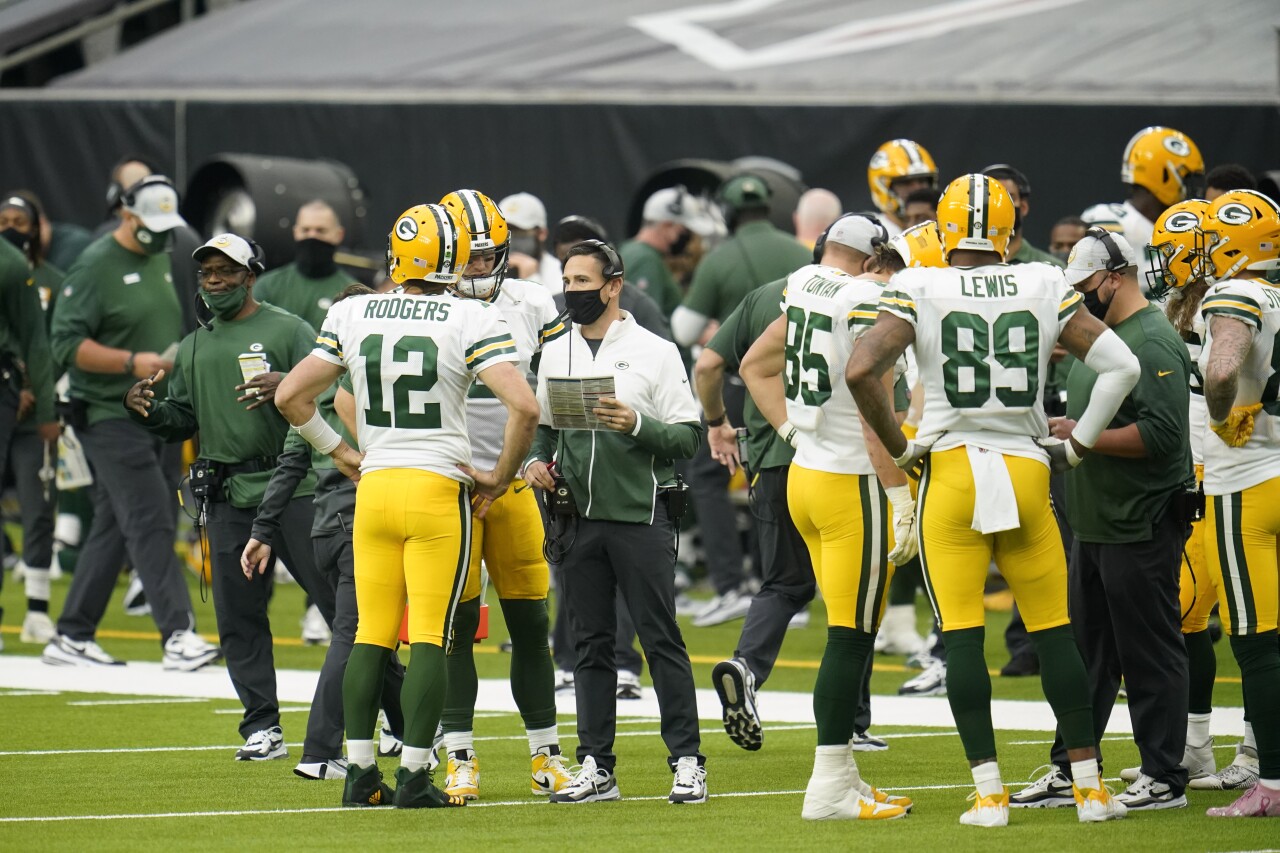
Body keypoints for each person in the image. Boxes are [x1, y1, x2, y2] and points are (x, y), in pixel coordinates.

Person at [847, 174, 1140, 827]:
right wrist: (1080, 446)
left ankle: (989, 794)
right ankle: (1090, 789)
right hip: (1027, 466)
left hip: (952, 472)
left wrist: (902, 446)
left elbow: (862, 369)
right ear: (1008, 231)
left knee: (962, 639)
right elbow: (1122, 365)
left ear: (946, 229)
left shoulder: (919, 284)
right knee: (1056, 635)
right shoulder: (1041, 280)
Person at [276, 203, 539, 809]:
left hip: (374, 488)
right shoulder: (468, 314)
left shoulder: (350, 309)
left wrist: (341, 454)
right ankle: (416, 775)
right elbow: (523, 408)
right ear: (450, 256)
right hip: (435, 489)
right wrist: (498, 477)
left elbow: (291, 396)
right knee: (429, 634)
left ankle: (361, 772)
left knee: (369, 634)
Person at [125, 233, 332, 760]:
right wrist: (146, 410)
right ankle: (262, 726)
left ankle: (394, 713)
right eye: (206, 273)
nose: (214, 282)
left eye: (225, 271)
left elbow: (334, 390)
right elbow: (182, 419)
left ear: (250, 275)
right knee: (237, 617)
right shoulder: (194, 344)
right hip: (227, 495)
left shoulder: (288, 328)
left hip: (292, 488)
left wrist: (289, 381)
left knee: (343, 610)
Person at [740, 214, 916, 821]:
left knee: (848, 628)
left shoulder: (806, 282)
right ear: (873, 259)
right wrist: (899, 494)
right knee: (850, 638)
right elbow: (872, 404)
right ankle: (829, 789)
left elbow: (753, 366)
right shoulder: (868, 296)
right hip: (852, 485)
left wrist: (789, 429)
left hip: (806, 477)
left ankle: (845, 776)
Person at [1011, 229, 1193, 811]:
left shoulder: (1155, 340)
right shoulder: (1108, 337)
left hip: (1138, 519)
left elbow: (1164, 436)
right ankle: (1073, 767)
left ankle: (1163, 773)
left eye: (1087, 286)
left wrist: (1083, 440)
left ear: (1114, 277)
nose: (1082, 298)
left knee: (1149, 650)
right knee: (1085, 654)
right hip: (1095, 520)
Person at [523, 240, 707, 805]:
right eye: (568, 280)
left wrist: (634, 424)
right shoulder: (555, 349)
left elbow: (688, 436)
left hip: (642, 515)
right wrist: (535, 461)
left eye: (583, 281)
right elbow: (546, 426)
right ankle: (597, 765)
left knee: (660, 640)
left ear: (613, 285)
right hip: (576, 519)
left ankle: (687, 763)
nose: (572, 291)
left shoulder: (656, 350)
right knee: (590, 644)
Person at [43, 175, 219, 671]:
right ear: (126, 214)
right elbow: (66, 344)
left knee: (115, 524)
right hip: (107, 411)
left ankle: (72, 635)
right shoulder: (95, 265)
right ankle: (179, 634)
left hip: (155, 412)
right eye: (150, 223)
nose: (160, 234)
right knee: (149, 515)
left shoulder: (163, 256)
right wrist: (130, 362)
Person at [433, 188, 572, 800]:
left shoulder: (534, 301)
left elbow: (567, 375)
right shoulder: (420, 309)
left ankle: (545, 751)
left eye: (484, 257)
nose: (473, 269)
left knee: (530, 621)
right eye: (462, 257)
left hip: (512, 481)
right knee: (457, 627)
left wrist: (548, 455)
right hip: (450, 482)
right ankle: (458, 752)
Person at [241, 284, 406, 781]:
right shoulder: (383, 388)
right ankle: (320, 751)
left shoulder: (313, 400)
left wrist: (263, 529)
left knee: (368, 634)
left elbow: (290, 466)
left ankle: (404, 725)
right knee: (358, 634)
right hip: (363, 516)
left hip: (324, 525)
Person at [1144, 198, 1262, 793]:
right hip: (1195, 475)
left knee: (1249, 621)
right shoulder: (1178, 308)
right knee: (1189, 615)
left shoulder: (1234, 305)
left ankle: (1256, 744)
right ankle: (1195, 747)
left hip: (1236, 474)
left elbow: (1223, 379)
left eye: (1171, 251)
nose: (1162, 263)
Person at [672, 174, 810, 627]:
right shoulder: (800, 252)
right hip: (810, 383)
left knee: (715, 474)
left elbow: (686, 332)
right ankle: (793, 589)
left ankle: (734, 584)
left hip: (743, 383)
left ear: (728, 214)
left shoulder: (720, 259)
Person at [1195, 189, 1280, 818]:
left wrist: (1224, 415)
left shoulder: (1238, 293)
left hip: (1247, 482)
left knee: (1256, 641)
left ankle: (1272, 784)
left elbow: (1222, 371)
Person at [0, 193, 63, 645]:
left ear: (37, 227)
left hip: (36, 409)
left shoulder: (55, 280)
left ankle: (38, 609)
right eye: (3, 219)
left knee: (38, 504)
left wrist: (39, 396)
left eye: (19, 220)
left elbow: (52, 345)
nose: (10, 227)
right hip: (7, 397)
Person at [1086, 127, 1204, 256]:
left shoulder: (1187, 229)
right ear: (1164, 176)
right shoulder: (1110, 222)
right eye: (1186, 177)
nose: (1192, 188)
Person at [253, 201, 358, 331]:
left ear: (339, 234)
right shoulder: (268, 286)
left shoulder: (352, 295)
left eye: (321, 231)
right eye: (305, 230)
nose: (312, 236)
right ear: (295, 232)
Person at [620, 186, 716, 317]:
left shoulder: (633, 250)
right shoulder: (645, 260)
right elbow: (645, 322)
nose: (687, 239)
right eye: (684, 231)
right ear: (667, 225)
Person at [983, 164, 1063, 267]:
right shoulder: (961, 267)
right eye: (991, 198)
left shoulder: (1051, 267)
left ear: (1024, 207)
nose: (1000, 205)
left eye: (1009, 198)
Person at [866, 139, 939, 237]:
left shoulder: (941, 230)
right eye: (906, 182)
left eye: (922, 181)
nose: (917, 188)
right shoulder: (871, 233)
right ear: (882, 187)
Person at [500, 192, 562, 293]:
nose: (511, 241)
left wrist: (531, 280)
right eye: (504, 233)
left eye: (520, 232)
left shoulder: (559, 274)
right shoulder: (484, 270)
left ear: (542, 233)